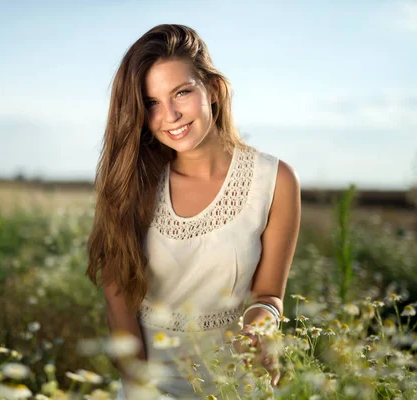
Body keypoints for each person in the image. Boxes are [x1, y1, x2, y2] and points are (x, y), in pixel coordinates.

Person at [86, 24, 301, 399]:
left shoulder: (275, 181)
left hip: (238, 382)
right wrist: (139, 384)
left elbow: (268, 295)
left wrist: (260, 331)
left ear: (213, 90)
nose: (169, 116)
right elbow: (117, 297)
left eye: (181, 92)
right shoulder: (131, 181)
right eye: (151, 103)